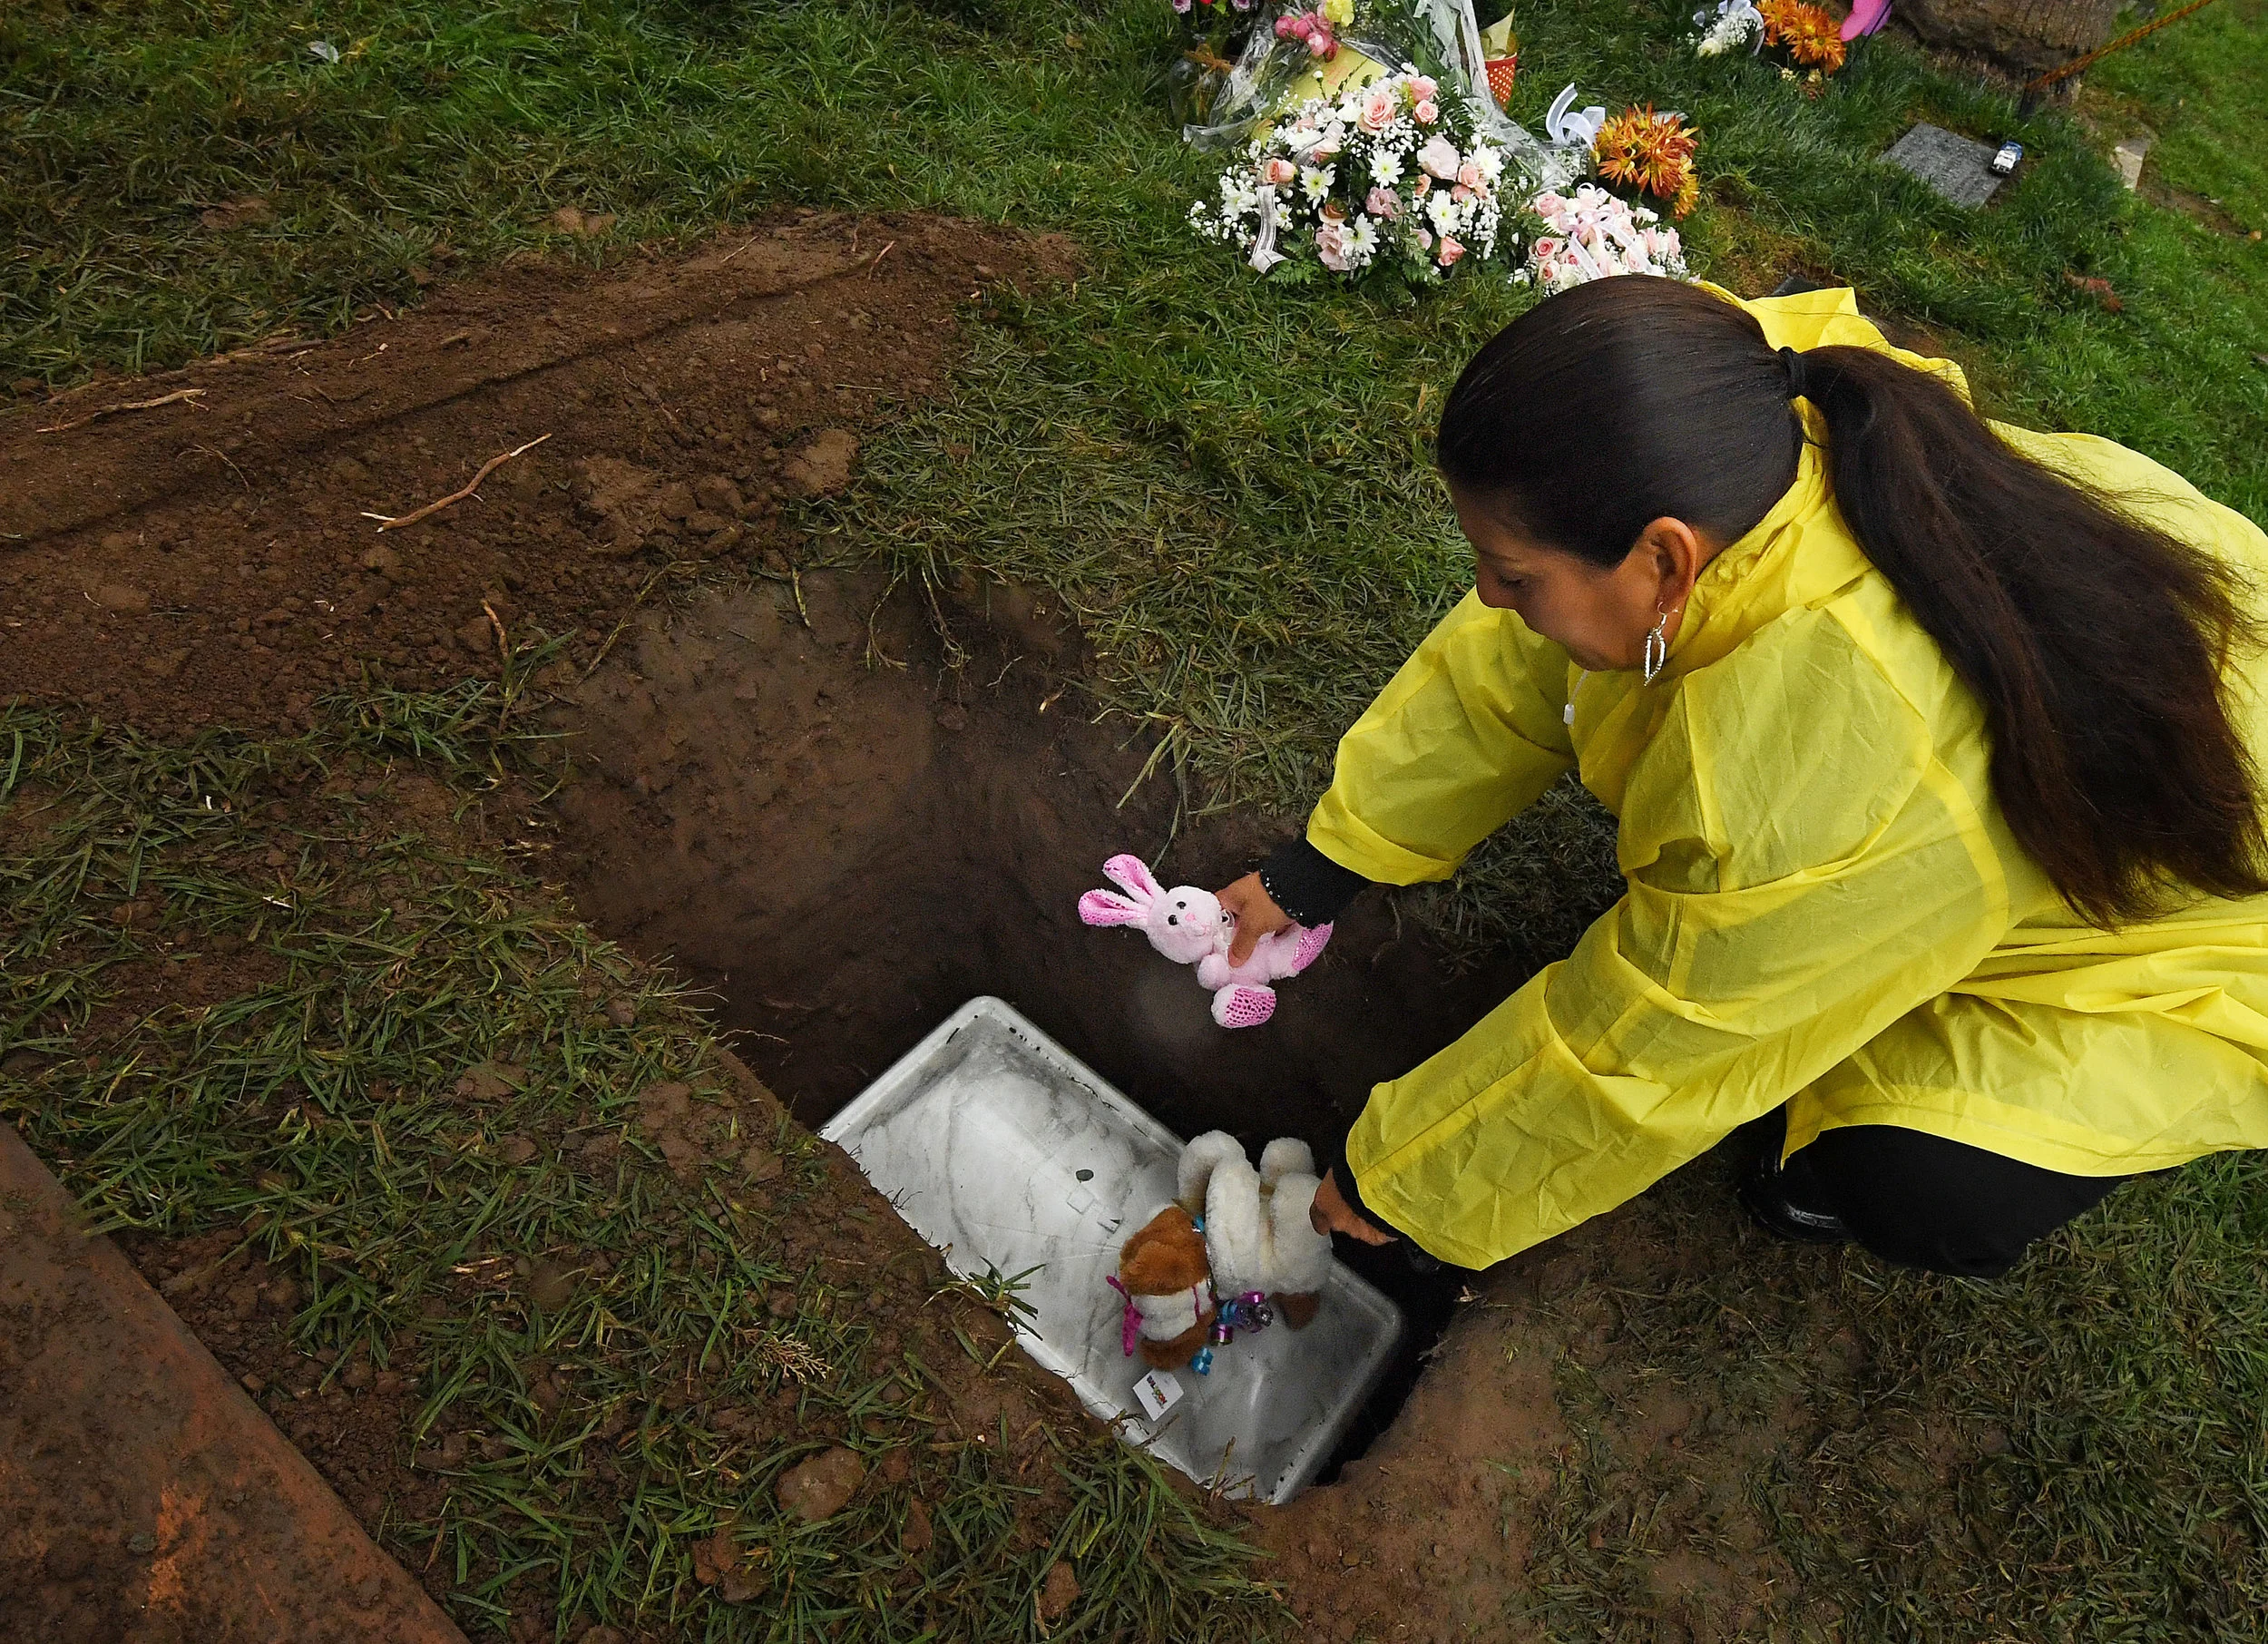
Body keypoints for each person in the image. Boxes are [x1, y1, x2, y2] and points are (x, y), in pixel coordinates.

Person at [1218, 277, 2268, 1280]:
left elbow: (1651, 1043)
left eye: (1514, 577)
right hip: (2081, 759)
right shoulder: (1731, 420)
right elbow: (1504, 669)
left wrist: (1401, 1185)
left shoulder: (1838, 760)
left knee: (1918, 1186)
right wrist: (1323, 863)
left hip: (2186, 934)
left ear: (1665, 565)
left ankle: (1858, 1147)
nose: (1487, 595)